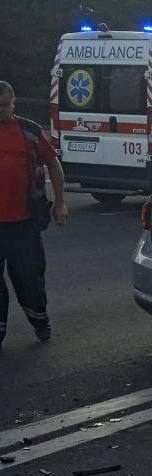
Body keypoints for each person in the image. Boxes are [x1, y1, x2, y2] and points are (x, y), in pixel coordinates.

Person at [0, 80, 68, 349]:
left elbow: (53, 163)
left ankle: (40, 322)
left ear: (13, 101)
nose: (0, 111)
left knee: (29, 278)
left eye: (4, 105)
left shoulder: (29, 131)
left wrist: (60, 203)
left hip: (24, 223)